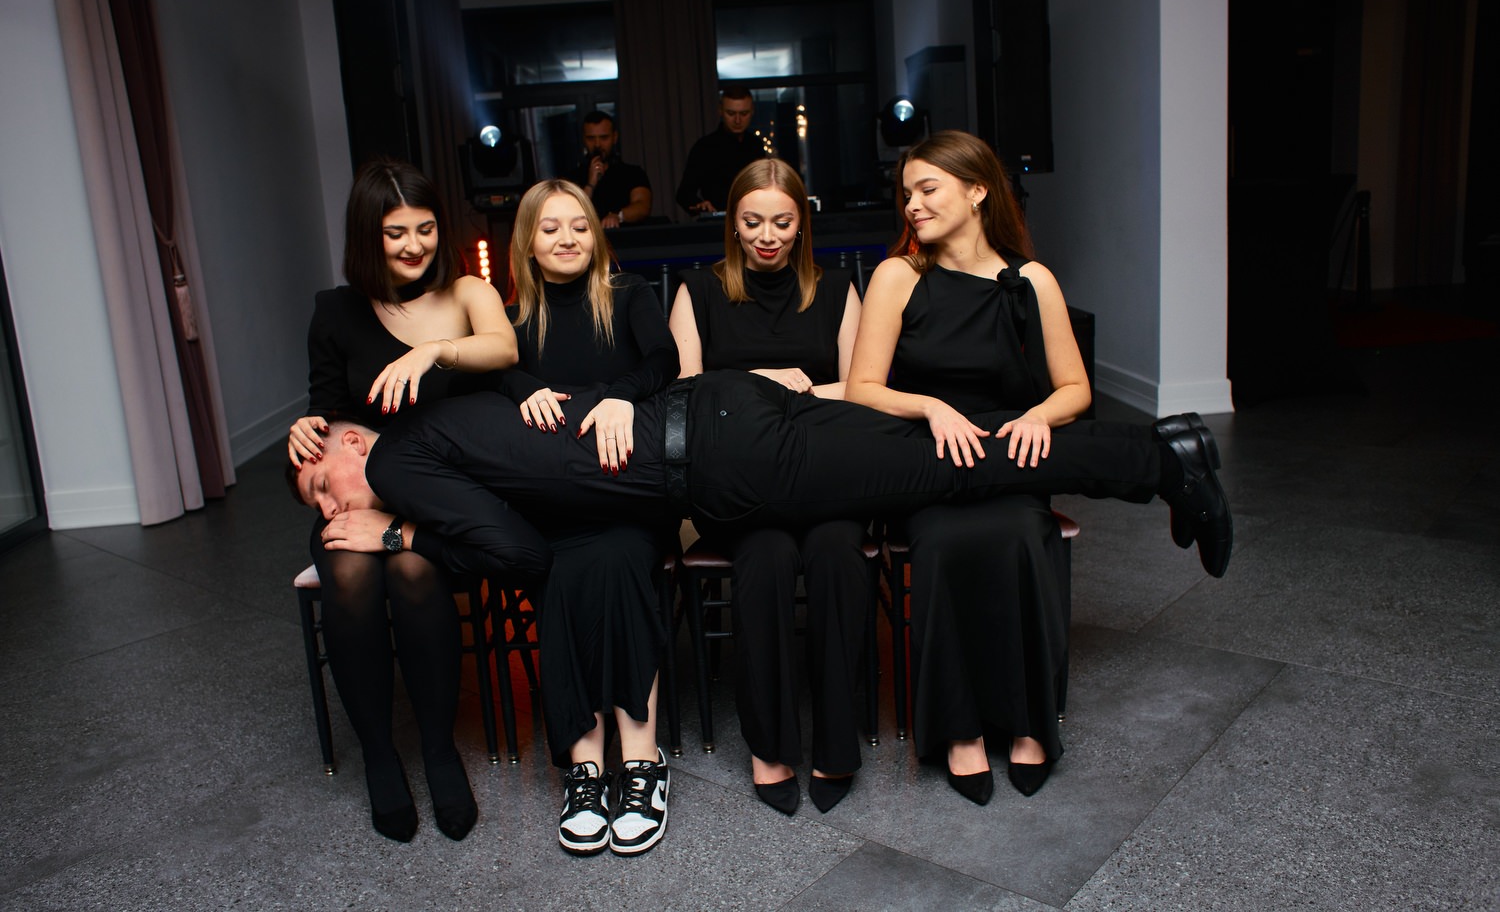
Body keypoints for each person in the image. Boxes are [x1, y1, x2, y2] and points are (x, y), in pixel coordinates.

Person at [294, 375, 1230, 625]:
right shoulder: (445, 418)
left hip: (729, 460)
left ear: (352, 443)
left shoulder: (396, 467)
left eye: (318, 487)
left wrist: (398, 531)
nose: (329, 509)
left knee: (947, 467)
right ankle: (1160, 453)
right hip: (722, 409)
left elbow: (520, 556)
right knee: (942, 452)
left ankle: (1161, 460)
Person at [843, 130, 1111, 803]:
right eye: (906, 192)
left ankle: (1028, 723)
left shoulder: (1031, 281)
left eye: (927, 188)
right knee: (943, 542)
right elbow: (862, 388)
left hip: (1010, 458)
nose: (912, 204)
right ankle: (959, 730)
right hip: (929, 461)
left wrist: (1038, 417)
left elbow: (1075, 389)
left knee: (1023, 535)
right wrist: (930, 406)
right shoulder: (899, 276)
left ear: (977, 191)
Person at [287, 158, 519, 843]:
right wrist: (304, 435)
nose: (414, 245)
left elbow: (503, 350)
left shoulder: (466, 293)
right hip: (362, 497)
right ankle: (381, 758)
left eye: (424, 228)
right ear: (368, 235)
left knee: (415, 570)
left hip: (438, 501)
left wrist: (434, 351)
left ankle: (440, 752)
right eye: (395, 233)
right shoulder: (336, 311)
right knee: (351, 572)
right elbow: (326, 414)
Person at [668, 159, 867, 815]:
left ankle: (836, 740)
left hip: (826, 475)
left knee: (838, 553)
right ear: (732, 222)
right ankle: (771, 745)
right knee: (767, 556)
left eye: (782, 222)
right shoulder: (698, 292)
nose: (767, 236)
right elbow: (684, 397)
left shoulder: (837, 290)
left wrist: (773, 397)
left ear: (802, 223)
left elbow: (864, 391)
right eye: (752, 222)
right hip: (740, 486)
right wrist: (766, 384)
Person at [501, 179, 679, 855]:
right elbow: (485, 372)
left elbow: (664, 359)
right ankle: (584, 771)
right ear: (528, 242)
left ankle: (640, 763)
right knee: (559, 568)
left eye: (579, 225)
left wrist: (620, 397)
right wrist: (524, 388)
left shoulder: (628, 295)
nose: (567, 238)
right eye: (550, 228)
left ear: (596, 234)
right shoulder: (512, 318)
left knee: (624, 560)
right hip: (555, 505)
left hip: (628, 494)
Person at [675, 87, 771, 214]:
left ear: (752, 111)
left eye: (744, 113)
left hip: (754, 217)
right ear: (720, 111)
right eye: (731, 113)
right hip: (719, 220)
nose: (737, 120)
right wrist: (701, 205)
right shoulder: (704, 147)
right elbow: (684, 194)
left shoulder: (755, 145)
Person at [568, 111, 652, 229]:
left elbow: (642, 207)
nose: (597, 144)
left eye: (604, 138)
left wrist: (618, 216)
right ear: (584, 139)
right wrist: (590, 185)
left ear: (614, 137)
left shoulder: (633, 173)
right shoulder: (572, 177)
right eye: (591, 138)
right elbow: (569, 213)